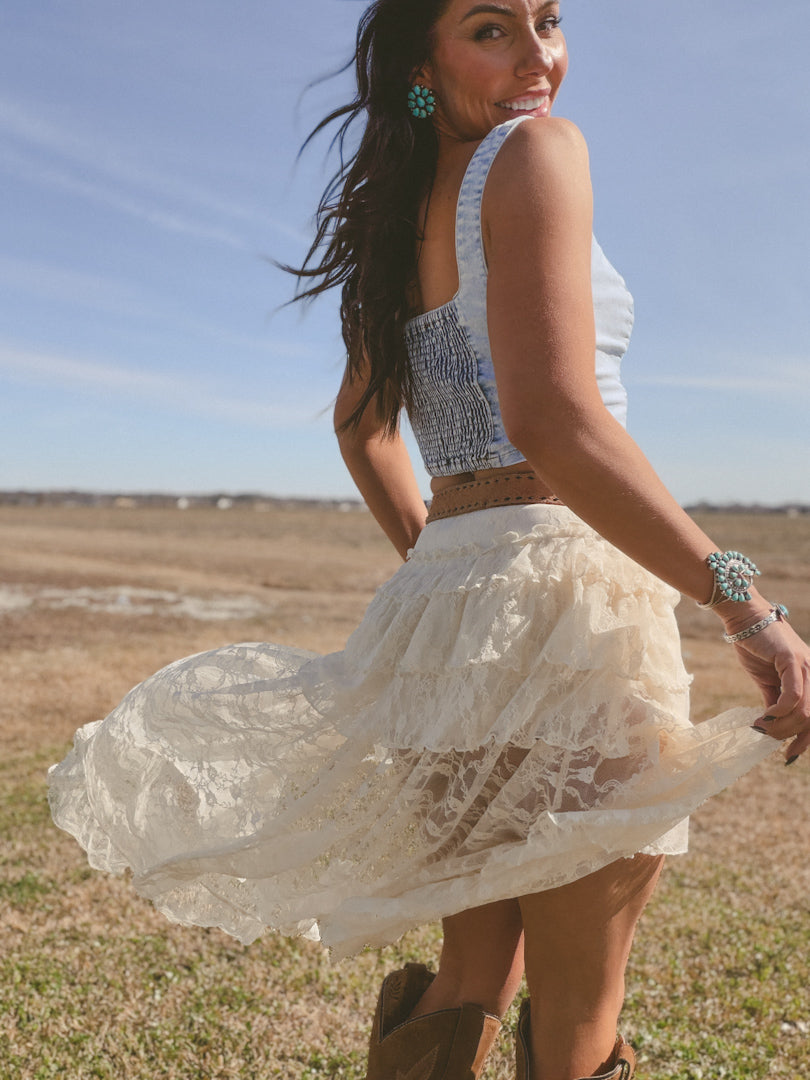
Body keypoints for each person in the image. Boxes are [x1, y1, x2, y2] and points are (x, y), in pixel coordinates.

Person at [49, 2, 810, 1078]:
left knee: (472, 970)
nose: (539, 55)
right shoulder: (540, 151)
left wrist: (450, 572)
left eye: (548, 19)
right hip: (565, 593)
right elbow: (555, 420)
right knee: (583, 1001)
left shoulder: (395, 211)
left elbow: (361, 428)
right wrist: (746, 600)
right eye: (491, 27)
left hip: (458, 604)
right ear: (423, 59)